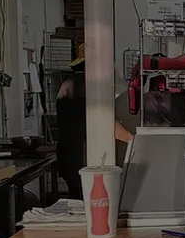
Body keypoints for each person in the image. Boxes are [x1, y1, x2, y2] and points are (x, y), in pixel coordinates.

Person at [56, 44, 133, 199]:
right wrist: (132, 140)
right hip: (83, 157)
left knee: (80, 201)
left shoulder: (69, 83)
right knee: (90, 202)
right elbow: (104, 120)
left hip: (69, 155)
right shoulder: (89, 86)